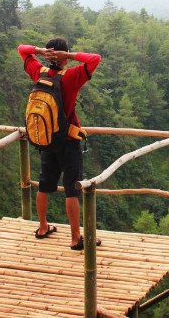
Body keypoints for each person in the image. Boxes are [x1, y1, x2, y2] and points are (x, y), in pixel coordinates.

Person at [18, 38, 101, 250]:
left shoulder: (39, 72)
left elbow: (22, 49)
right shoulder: (71, 77)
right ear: (63, 56)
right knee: (72, 188)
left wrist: (39, 51)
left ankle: (43, 227)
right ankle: (75, 238)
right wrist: (70, 57)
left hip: (45, 139)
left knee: (45, 184)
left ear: (48, 55)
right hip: (68, 140)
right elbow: (94, 59)